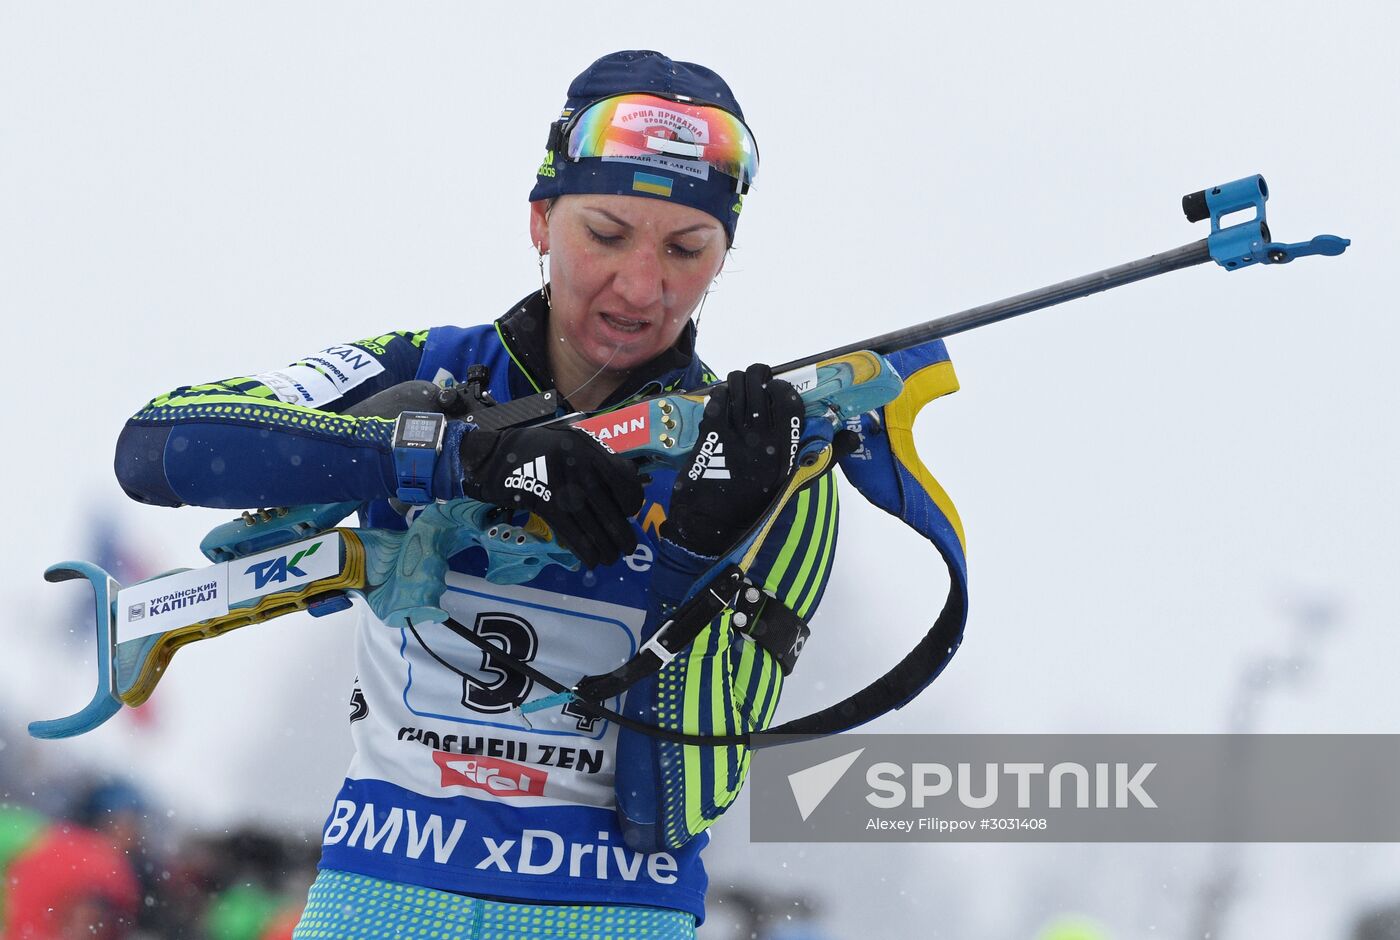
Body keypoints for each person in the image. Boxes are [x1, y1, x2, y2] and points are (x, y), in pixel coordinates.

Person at [113, 50, 840, 938]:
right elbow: (158, 448)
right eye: (606, 235)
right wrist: (451, 458)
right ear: (540, 220)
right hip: (380, 901)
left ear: (724, 255)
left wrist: (694, 554)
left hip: (614, 916)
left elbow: (678, 807)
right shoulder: (430, 368)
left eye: (687, 250)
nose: (642, 287)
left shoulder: (766, 455)